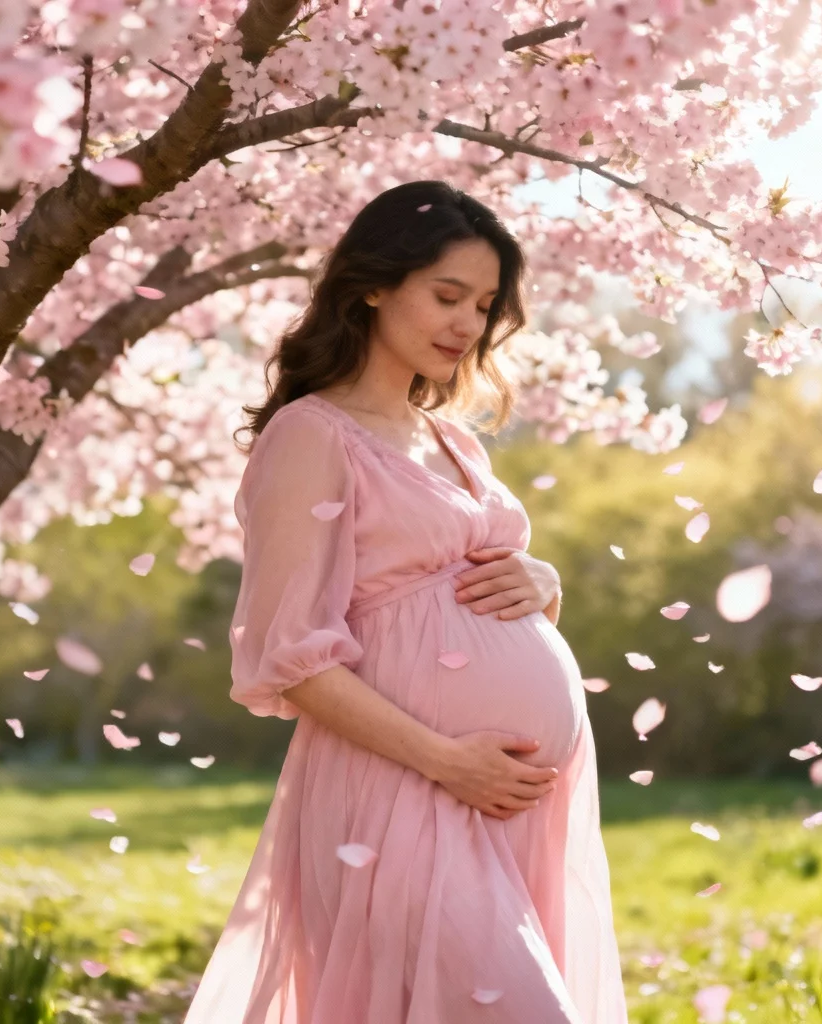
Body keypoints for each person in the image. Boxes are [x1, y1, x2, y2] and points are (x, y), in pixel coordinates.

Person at [183, 180, 627, 1023]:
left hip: (509, 796)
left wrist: (546, 586)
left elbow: (479, 594)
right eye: (447, 295)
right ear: (374, 286)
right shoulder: (311, 435)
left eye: (484, 306)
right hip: (403, 789)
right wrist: (446, 760)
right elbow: (292, 657)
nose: (467, 325)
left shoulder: (454, 442)